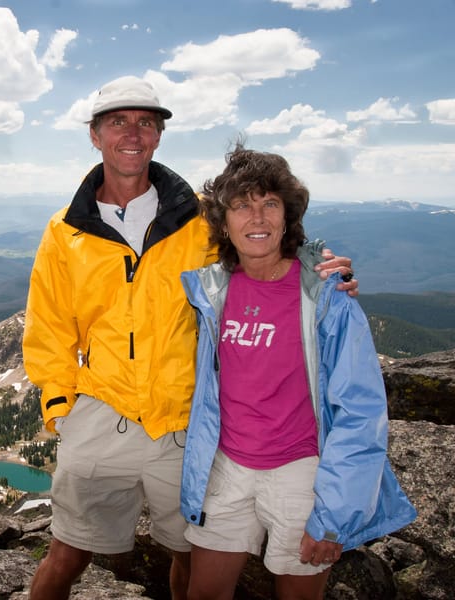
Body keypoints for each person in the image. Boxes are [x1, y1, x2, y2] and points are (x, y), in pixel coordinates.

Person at [22, 76, 358, 600]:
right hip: (99, 411)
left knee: (191, 554)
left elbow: (262, 242)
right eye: (118, 122)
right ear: (95, 135)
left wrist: (320, 267)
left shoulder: (200, 217)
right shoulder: (65, 230)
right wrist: (60, 407)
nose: (133, 134)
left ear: (158, 136)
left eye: (146, 123)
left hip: (184, 421)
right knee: (67, 551)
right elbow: (48, 328)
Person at [179, 144, 416, 600]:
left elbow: (360, 410)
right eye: (241, 206)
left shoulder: (325, 296)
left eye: (270, 203)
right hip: (225, 466)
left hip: (301, 473)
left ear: (288, 216)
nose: (258, 218)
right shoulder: (213, 290)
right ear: (223, 222)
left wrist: (335, 517)